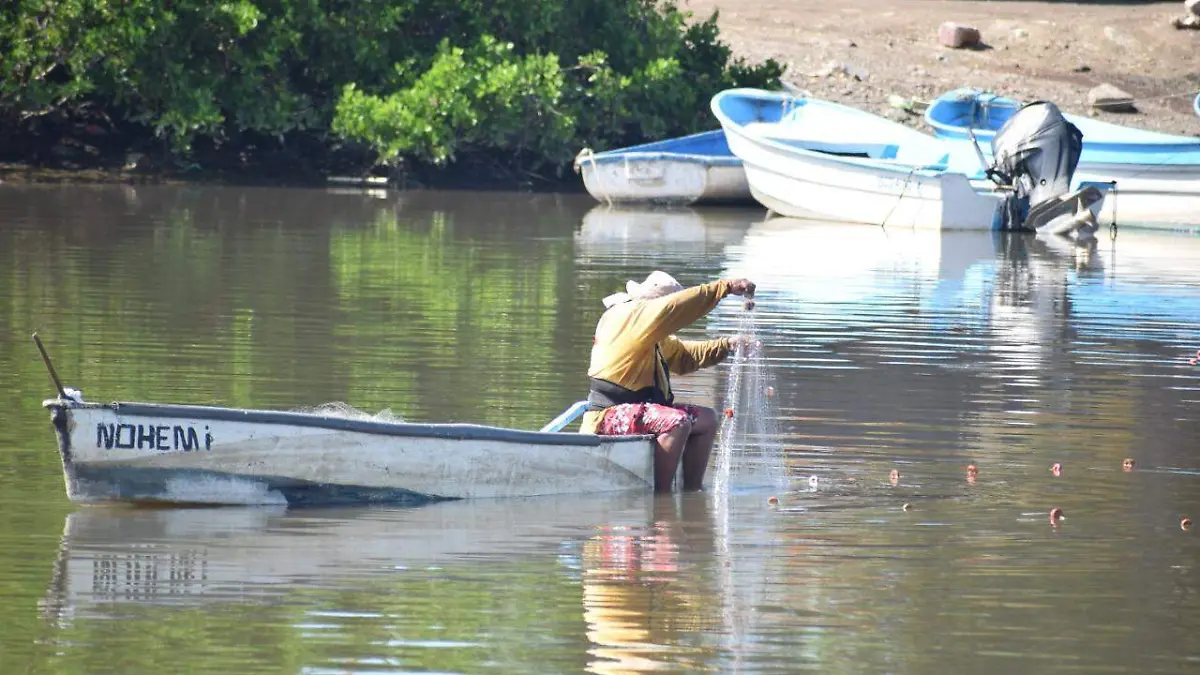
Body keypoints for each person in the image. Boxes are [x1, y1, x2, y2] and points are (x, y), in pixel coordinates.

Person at [579, 271, 756, 492]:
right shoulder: (627, 317)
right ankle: (662, 497)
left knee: (707, 419)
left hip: (640, 412)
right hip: (608, 415)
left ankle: (692, 491)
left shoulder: (651, 332)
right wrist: (726, 287)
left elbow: (684, 357)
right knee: (677, 422)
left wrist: (727, 345)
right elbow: (677, 307)